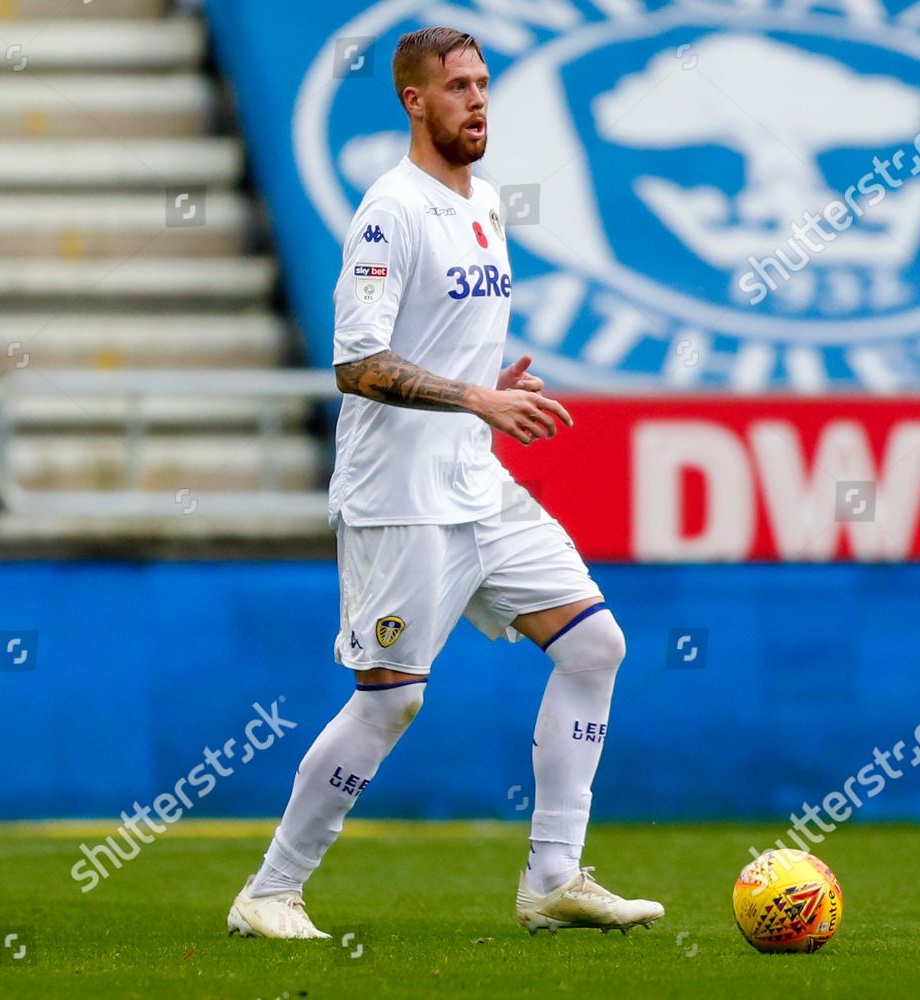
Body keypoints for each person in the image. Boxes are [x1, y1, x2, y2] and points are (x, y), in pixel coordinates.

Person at [227, 26, 663, 940]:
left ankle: (553, 877)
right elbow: (357, 363)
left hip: (477, 477)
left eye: (483, 84)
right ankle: (271, 890)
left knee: (595, 648)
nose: (477, 101)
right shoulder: (391, 211)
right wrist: (472, 395)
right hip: (399, 495)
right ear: (413, 101)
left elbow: (442, 343)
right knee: (392, 700)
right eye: (457, 86)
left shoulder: (487, 204)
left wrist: (488, 393)